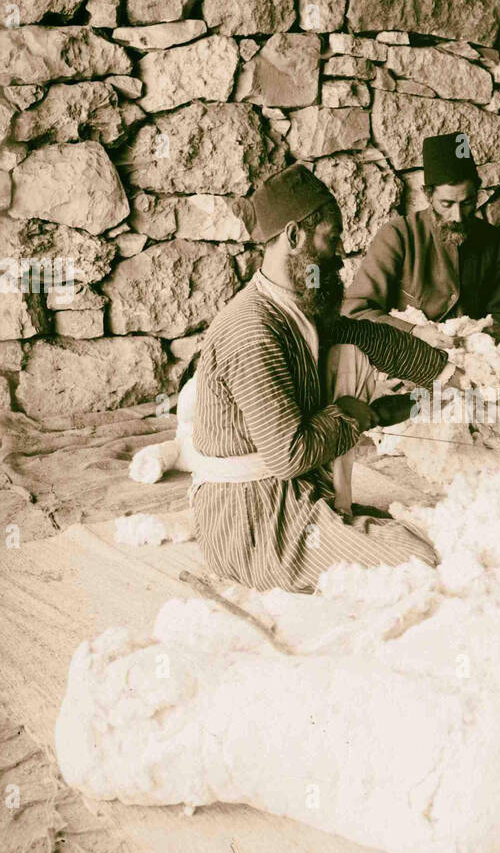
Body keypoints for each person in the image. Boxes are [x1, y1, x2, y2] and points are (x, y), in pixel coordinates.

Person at [190, 162, 462, 593]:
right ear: (294, 237)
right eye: (331, 238)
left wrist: (449, 373)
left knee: (425, 537)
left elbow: (366, 336)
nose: (339, 253)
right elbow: (290, 455)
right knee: (419, 560)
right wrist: (353, 413)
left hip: (285, 491)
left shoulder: (295, 304)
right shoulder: (253, 329)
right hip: (250, 519)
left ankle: (339, 524)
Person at [341, 131, 500, 346]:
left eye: (467, 203)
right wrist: (414, 332)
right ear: (428, 195)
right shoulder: (398, 235)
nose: (458, 216)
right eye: (447, 204)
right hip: (409, 351)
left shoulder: (494, 241)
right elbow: (356, 311)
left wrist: (485, 334)